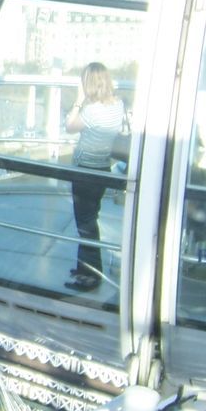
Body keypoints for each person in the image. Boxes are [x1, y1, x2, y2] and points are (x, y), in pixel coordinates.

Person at [65, 62, 125, 292]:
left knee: (86, 224)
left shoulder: (91, 110)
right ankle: (84, 267)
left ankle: (90, 275)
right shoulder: (117, 105)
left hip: (84, 173)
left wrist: (79, 100)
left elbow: (70, 126)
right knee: (90, 219)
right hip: (102, 170)